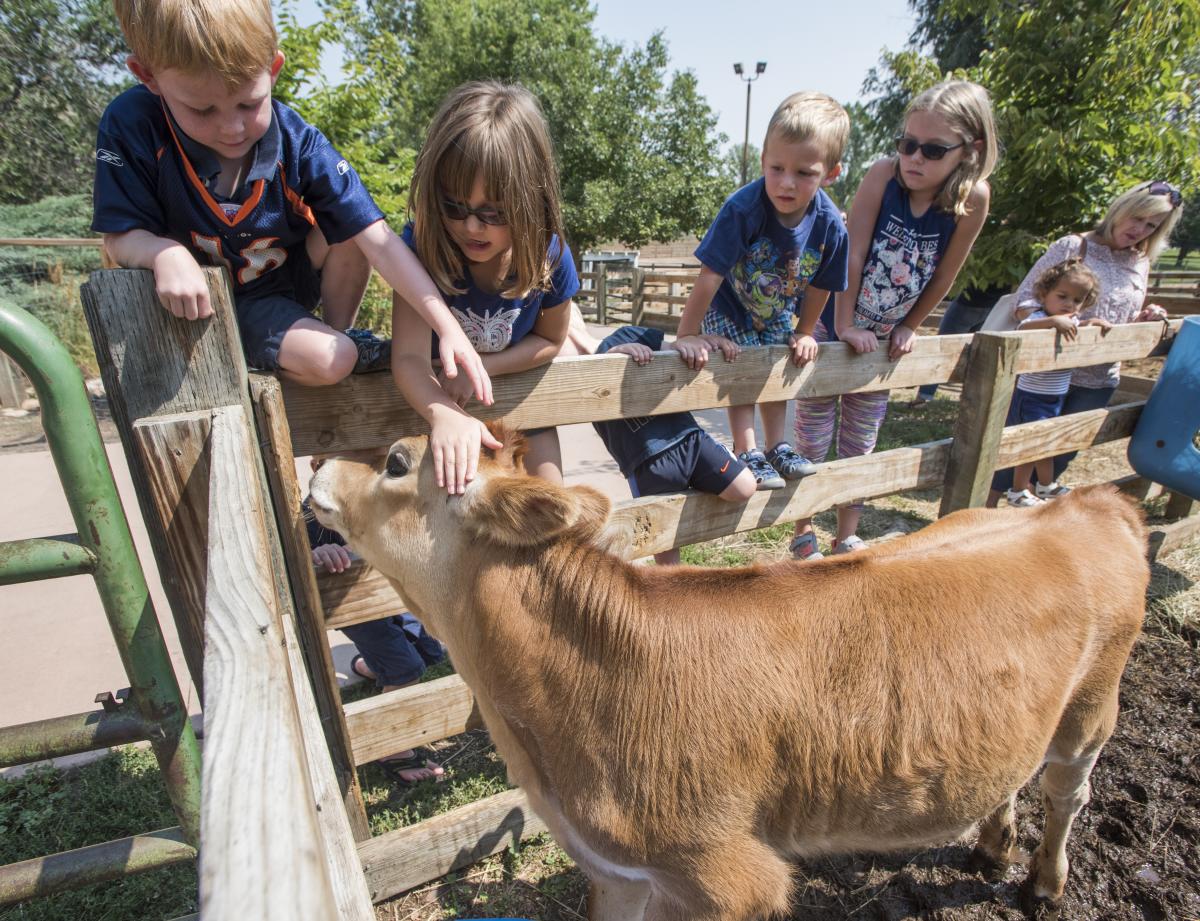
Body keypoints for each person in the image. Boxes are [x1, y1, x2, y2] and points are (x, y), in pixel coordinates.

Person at [93, 0, 489, 398]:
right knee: (331, 359)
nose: (232, 128)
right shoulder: (131, 124)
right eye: (202, 109)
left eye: (249, 103)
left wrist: (447, 327)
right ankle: (279, 361)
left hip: (273, 292)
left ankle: (336, 336)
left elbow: (379, 241)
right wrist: (163, 253)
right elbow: (120, 238)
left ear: (272, 69)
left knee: (349, 231)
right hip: (193, 314)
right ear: (148, 77)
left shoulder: (299, 142)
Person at [790, 80, 998, 560]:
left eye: (932, 149)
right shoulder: (883, 176)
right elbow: (853, 252)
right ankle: (803, 529)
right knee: (813, 433)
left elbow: (945, 273)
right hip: (833, 323)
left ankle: (847, 534)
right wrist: (843, 325)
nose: (914, 158)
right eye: (908, 144)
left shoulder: (973, 199)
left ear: (970, 150)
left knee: (860, 438)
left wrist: (911, 325)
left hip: (883, 339)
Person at [391, 81, 579, 494]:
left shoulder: (550, 256)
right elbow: (407, 358)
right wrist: (443, 411)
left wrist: (481, 368)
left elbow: (551, 340)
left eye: (492, 212)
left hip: (524, 408)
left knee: (552, 507)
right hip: (434, 408)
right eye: (455, 208)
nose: (471, 227)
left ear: (531, 202)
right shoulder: (419, 250)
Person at [669, 91, 851, 491]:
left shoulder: (830, 225)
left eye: (805, 173)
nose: (787, 183)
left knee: (779, 360)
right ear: (763, 158)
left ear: (831, 174)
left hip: (776, 311)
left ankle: (777, 445)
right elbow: (710, 275)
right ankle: (746, 447)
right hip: (729, 306)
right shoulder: (743, 209)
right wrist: (688, 332)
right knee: (744, 356)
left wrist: (805, 330)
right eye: (776, 168)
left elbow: (822, 284)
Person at [986, 180, 1183, 507]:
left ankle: (1022, 530)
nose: (1140, 229)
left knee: (1059, 455)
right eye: (1137, 218)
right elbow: (1024, 301)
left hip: (1099, 379)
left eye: (1152, 225)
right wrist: (1055, 322)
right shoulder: (1073, 247)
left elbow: (1118, 319)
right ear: (1121, 210)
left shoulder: (1140, 262)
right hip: (1046, 375)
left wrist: (1144, 319)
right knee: (1016, 452)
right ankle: (983, 519)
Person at [562, 307, 757, 564]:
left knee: (744, 487)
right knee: (666, 557)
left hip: (687, 437)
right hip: (644, 464)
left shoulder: (627, 334)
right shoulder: (572, 379)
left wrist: (698, 344)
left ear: (576, 317)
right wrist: (609, 361)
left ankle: (724, 460)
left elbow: (677, 348)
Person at [307, 503, 446, 786]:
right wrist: (312, 554)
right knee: (406, 668)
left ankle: (369, 666)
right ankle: (392, 749)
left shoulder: (387, 487)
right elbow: (287, 549)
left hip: (389, 586)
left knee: (429, 650)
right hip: (348, 597)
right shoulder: (312, 515)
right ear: (317, 466)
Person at [999, 259, 1106, 507]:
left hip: (1055, 395)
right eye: (1062, 296)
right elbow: (1024, 327)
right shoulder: (1039, 317)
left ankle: (1043, 486)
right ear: (1044, 294)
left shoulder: (1071, 319)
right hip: (1032, 393)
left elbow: (1078, 326)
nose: (1069, 304)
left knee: (1045, 442)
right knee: (1034, 444)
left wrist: (1092, 324)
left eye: (1077, 301)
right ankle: (1021, 490)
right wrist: (1052, 322)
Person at [909, 283, 1010, 406]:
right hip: (993, 306)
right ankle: (969, 400)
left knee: (942, 350)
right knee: (976, 354)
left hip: (968, 302)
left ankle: (923, 397)